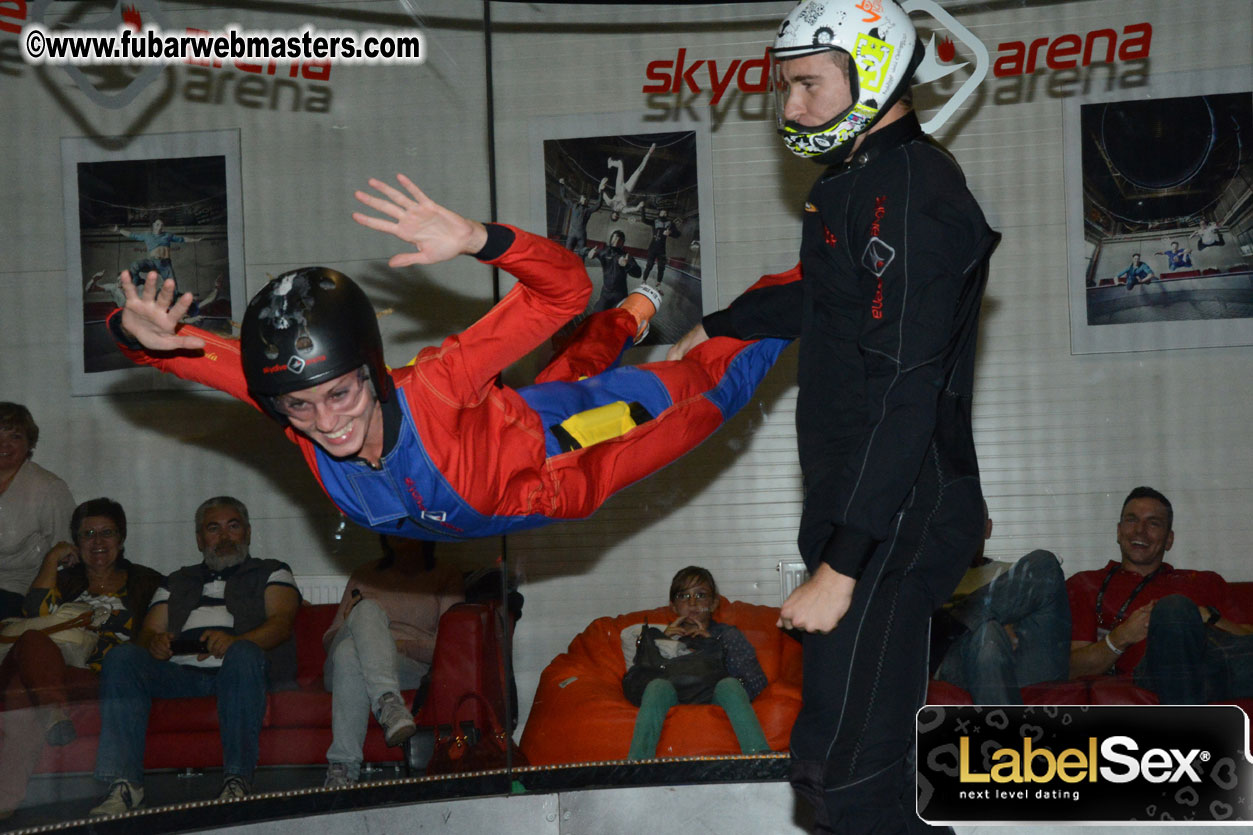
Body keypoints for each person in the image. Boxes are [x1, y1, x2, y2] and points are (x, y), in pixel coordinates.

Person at [667, 2, 998, 830]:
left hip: (899, 514)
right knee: (866, 779)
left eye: (808, 85)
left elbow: (905, 386)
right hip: (860, 504)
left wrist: (843, 565)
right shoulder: (849, 182)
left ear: (876, 73)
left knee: (842, 771)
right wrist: (718, 326)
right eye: (786, 88)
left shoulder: (917, 190)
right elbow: (823, 292)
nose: (790, 107)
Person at [106, 175, 790, 543]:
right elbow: (165, 350)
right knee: (571, 374)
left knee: (707, 385)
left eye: (341, 395)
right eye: (301, 407)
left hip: (568, 457)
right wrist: (134, 330)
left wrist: (479, 238)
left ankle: (799, 292)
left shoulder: (438, 385)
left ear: (373, 374)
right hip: (513, 432)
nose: (327, 423)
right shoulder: (289, 404)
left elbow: (563, 291)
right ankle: (637, 309)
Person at [90, 496, 300, 814]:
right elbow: (148, 632)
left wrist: (235, 641)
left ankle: (237, 782)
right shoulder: (177, 580)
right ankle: (125, 785)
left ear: (248, 532)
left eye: (234, 526)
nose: (225, 536)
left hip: (241, 671)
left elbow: (281, 624)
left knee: (243, 653)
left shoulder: (272, 571)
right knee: (122, 657)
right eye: (213, 528)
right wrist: (154, 643)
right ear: (200, 539)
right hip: (180, 674)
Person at [0, 498, 161, 818]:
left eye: (107, 533)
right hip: (54, 667)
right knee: (32, 641)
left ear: (122, 538)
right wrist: (51, 561)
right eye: (87, 534)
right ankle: (53, 712)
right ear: (76, 541)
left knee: (26, 684)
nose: (98, 541)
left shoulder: (147, 582)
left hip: (103, 675)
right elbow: (34, 614)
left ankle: (5, 796)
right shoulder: (66, 581)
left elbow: (152, 637)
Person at [1066, 486, 1253, 705]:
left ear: (1169, 540)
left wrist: (1207, 616)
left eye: (1153, 523)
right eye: (1131, 520)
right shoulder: (1087, 584)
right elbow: (1072, 668)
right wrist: (1122, 637)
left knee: (1180, 610)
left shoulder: (1204, 581)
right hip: (1154, 673)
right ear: (1118, 531)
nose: (1140, 531)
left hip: (1217, 666)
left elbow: (1246, 638)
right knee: (1172, 608)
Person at [321, 535, 463, 788]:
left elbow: (448, 645)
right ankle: (390, 705)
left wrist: (394, 645)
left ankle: (341, 769)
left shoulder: (446, 576)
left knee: (348, 654)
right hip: (344, 664)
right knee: (365, 612)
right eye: (390, 527)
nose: (396, 533)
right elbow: (330, 641)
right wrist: (348, 618)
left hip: (404, 664)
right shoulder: (364, 574)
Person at [625, 566, 769, 760]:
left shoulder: (727, 635)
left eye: (701, 595)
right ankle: (636, 765)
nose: (692, 603)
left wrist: (712, 646)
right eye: (683, 596)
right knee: (657, 686)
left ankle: (758, 758)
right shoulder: (660, 636)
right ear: (673, 606)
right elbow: (635, 683)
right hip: (672, 693)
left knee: (729, 685)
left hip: (713, 694)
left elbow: (755, 683)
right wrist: (660, 644)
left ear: (713, 603)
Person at [931, 506, 1070, 704]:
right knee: (988, 634)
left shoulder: (1013, 573)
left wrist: (991, 615)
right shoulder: (934, 583)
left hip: (1023, 665)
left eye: (973, 521)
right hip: (963, 665)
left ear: (988, 528)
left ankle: (956, 623)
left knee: (1045, 563)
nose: (966, 530)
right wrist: (990, 622)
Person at [0, 403, 76, 619]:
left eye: (15, 436)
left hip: (19, 594)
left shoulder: (49, 488)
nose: (4, 443)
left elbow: (68, 552)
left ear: (29, 444)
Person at [587, 229, 642, 312]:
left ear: (622, 242)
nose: (616, 241)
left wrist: (627, 265)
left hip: (620, 295)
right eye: (615, 238)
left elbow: (638, 273)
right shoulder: (604, 252)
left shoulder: (626, 256)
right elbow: (585, 251)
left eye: (619, 240)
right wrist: (588, 253)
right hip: (606, 293)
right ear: (611, 239)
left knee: (616, 318)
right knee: (596, 314)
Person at [600, 143, 655, 221]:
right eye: (616, 217)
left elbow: (601, 193)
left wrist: (601, 184)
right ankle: (649, 153)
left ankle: (611, 163)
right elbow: (635, 209)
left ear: (612, 214)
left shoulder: (610, 204)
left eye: (613, 216)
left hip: (619, 188)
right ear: (618, 217)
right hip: (628, 189)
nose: (615, 215)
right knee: (639, 171)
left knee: (620, 163)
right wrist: (639, 206)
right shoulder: (624, 210)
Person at [556, 178, 600, 255]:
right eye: (583, 198)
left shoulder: (588, 210)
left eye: (586, 199)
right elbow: (564, 197)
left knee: (581, 255)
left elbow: (598, 205)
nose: (584, 200)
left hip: (581, 236)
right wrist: (561, 185)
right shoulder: (574, 206)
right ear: (580, 199)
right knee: (567, 254)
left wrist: (601, 192)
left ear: (587, 201)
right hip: (572, 234)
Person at [640, 209, 681, 289]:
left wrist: (670, 233)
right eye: (662, 212)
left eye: (665, 212)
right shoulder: (655, 221)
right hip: (652, 247)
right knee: (649, 265)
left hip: (662, 249)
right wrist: (642, 208)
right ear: (659, 213)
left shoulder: (670, 223)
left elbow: (678, 234)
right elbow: (643, 220)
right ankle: (644, 280)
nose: (664, 213)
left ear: (667, 214)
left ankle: (658, 283)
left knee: (661, 267)